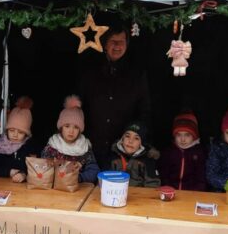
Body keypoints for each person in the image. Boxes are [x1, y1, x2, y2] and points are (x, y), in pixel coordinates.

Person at [78, 24, 152, 167]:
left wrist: (136, 136)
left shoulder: (137, 74)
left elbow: (144, 110)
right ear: (105, 44)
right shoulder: (90, 71)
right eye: (113, 41)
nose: (117, 45)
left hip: (122, 152)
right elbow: (79, 105)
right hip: (90, 147)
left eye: (121, 41)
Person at [41, 95, 99, 183]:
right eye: (67, 126)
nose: (71, 131)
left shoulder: (84, 148)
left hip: (78, 190)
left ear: (80, 130)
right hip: (55, 190)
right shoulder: (52, 147)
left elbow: (94, 171)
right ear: (61, 128)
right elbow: (42, 168)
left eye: (76, 127)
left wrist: (78, 178)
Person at [0, 96, 38, 182]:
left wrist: (24, 174)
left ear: (26, 134)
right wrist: (9, 172)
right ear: (7, 130)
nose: (15, 135)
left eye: (21, 132)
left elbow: (38, 168)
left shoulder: (30, 147)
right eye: (11, 130)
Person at [158, 111, 208, 191]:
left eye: (187, 135)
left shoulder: (199, 153)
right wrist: (167, 188)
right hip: (170, 192)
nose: (183, 139)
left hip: (192, 193)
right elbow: (163, 175)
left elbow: (201, 179)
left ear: (194, 136)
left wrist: (195, 193)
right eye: (179, 135)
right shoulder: (169, 152)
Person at [108, 121, 160, 187]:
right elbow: (104, 180)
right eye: (127, 136)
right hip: (115, 194)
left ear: (141, 144)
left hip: (139, 196)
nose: (130, 141)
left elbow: (153, 184)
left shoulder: (147, 160)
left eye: (136, 138)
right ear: (122, 139)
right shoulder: (113, 156)